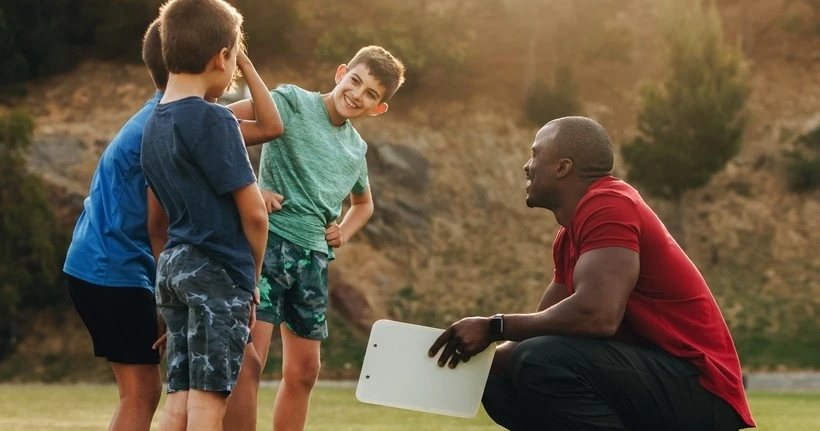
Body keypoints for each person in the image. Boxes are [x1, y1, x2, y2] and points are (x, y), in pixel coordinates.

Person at [428, 116, 756, 431]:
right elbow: (541, 329)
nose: (527, 166)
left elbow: (597, 315)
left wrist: (494, 326)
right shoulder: (570, 237)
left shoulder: (610, 205)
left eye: (534, 154)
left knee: (537, 359)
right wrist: (458, 363)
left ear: (563, 167)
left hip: (701, 390)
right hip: (656, 384)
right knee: (498, 379)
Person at [225, 45, 406, 431]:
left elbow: (364, 204)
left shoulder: (356, 149)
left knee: (306, 371)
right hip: (266, 246)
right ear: (341, 73)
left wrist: (345, 228)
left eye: (371, 94)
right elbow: (218, 125)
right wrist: (249, 190)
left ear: (378, 108)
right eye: (355, 81)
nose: (357, 94)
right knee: (248, 363)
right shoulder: (291, 101)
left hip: (313, 260)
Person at [140, 0, 271, 429]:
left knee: (179, 397)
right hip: (216, 273)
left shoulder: (153, 124)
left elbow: (157, 218)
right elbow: (255, 214)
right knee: (208, 402)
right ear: (222, 56)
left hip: (174, 270)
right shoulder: (215, 121)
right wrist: (250, 279)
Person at [62, 18, 167, 431]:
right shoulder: (162, 128)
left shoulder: (162, 114)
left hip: (104, 265)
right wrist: (167, 298)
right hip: (111, 270)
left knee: (142, 391)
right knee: (142, 392)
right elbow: (163, 226)